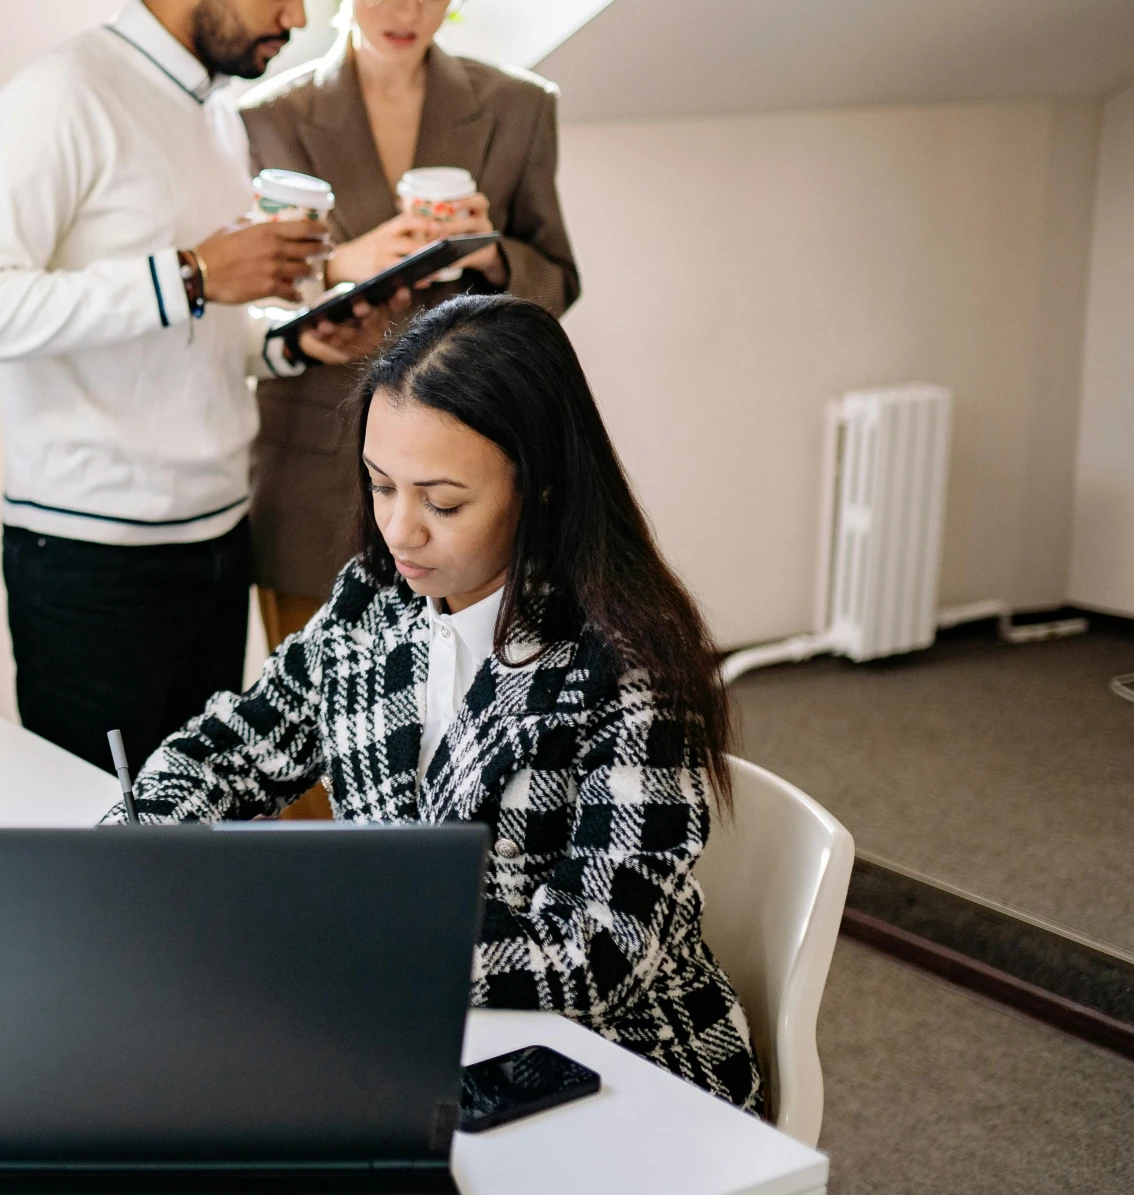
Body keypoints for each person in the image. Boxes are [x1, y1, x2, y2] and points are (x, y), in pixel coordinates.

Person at [113, 296, 762, 1112]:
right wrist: (135, 850)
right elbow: (233, 748)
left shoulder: (628, 670)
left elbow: (594, 957)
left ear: (544, 490)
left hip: (620, 1068)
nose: (398, 530)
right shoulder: (372, 602)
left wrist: (353, 941)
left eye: (442, 502)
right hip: (421, 1032)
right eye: (380, 485)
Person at [0, 0, 381, 772]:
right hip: (93, 562)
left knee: (197, 832)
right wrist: (189, 274)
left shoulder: (217, 113)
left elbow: (192, 328)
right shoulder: (61, 95)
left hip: (219, 536)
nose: (298, 14)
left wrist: (291, 340)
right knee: (100, 854)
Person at [237, 0, 580, 650]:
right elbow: (241, 299)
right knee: (312, 735)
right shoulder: (267, 117)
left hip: (476, 459)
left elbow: (556, 279)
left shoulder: (519, 108)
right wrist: (341, 263)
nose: (408, 11)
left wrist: (490, 252)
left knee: (469, 722)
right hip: (317, 460)